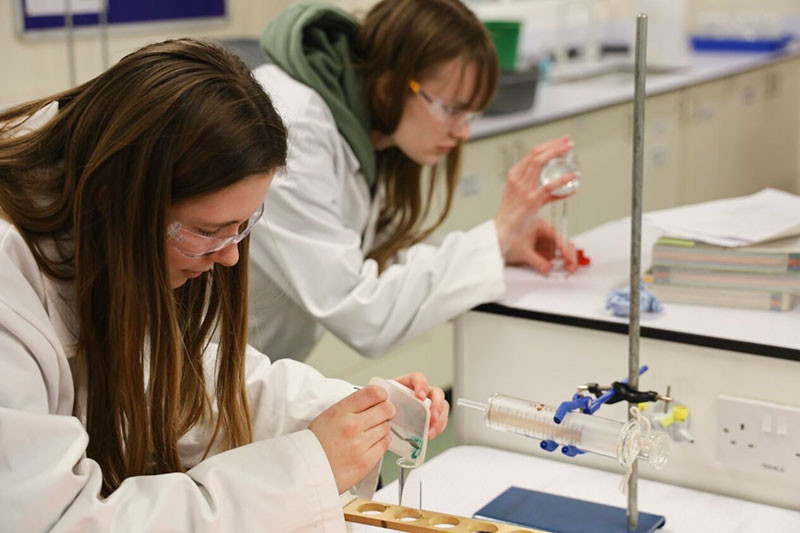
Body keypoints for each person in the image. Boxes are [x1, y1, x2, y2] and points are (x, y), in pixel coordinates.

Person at [0, 39, 447, 532]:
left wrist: (358, 411)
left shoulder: (97, 241)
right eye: (207, 231)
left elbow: (189, 382)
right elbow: (58, 522)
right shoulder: (10, 292)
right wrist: (303, 468)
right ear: (116, 197)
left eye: (243, 225)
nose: (231, 256)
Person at [248, 0, 578, 361]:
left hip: (254, 371)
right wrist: (495, 237)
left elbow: (368, 249)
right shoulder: (294, 128)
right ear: (391, 86)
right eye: (452, 109)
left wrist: (500, 246)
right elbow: (362, 315)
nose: (464, 132)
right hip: (202, 375)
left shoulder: (361, 124)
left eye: (472, 113)